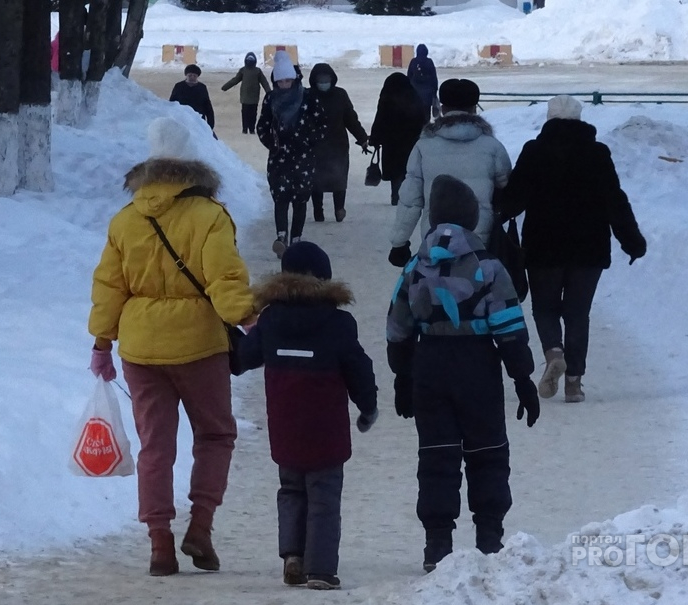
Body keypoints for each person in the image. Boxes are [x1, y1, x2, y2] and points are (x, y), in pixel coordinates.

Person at [88, 121, 257, 577]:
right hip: (199, 344)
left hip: (140, 349)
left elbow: (109, 286)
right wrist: (247, 317)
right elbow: (224, 276)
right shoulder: (209, 216)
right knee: (216, 435)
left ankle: (159, 544)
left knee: (155, 448)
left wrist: (102, 343)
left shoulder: (126, 220)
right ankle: (200, 527)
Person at [386, 174, 540, 573]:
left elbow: (398, 327)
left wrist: (403, 377)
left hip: (429, 366)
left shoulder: (414, 267)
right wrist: (522, 379)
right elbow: (507, 325)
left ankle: (437, 543)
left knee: (436, 455)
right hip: (477, 367)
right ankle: (489, 538)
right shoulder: (488, 266)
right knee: (487, 451)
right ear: (472, 219)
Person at [236, 241, 378, 591]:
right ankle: (321, 570)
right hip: (326, 426)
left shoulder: (270, 319)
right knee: (324, 496)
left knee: (291, 489)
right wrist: (368, 407)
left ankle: (293, 556)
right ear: (324, 279)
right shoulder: (339, 322)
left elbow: (244, 359)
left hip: (285, 424)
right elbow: (359, 368)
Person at [499, 95, 646, 403]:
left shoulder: (534, 151)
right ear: (580, 120)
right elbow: (614, 200)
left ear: (549, 120)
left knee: (545, 308)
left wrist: (495, 214)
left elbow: (514, 198)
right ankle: (574, 383)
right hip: (588, 248)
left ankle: (554, 351)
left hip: (544, 247)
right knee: (578, 313)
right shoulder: (597, 153)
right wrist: (631, 240)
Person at [388, 78, 512, 268]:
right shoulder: (492, 146)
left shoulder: (424, 146)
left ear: (443, 108)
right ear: (474, 108)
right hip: (479, 239)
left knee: (435, 291)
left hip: (435, 238)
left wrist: (399, 242)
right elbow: (504, 187)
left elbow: (410, 199)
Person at [257, 51, 328, 259]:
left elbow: (323, 123)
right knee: (280, 198)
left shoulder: (308, 97)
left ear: (295, 78)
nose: (285, 84)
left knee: (300, 199)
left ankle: (296, 238)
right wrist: (271, 143)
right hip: (279, 158)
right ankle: (281, 237)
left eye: (288, 80)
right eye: (281, 81)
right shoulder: (270, 99)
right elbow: (262, 125)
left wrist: (310, 140)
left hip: (303, 157)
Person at [307, 63, 369, 223]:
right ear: (314, 80)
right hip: (315, 146)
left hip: (338, 146)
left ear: (332, 79)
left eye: (326, 79)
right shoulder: (307, 96)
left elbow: (351, 119)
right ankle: (318, 211)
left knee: (339, 178)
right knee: (316, 180)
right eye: (320, 80)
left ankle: (339, 209)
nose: (323, 83)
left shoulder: (340, 95)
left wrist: (362, 138)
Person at [368, 72, 428, 207]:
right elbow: (422, 119)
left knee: (395, 172)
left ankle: (396, 195)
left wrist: (375, 139)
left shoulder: (387, 98)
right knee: (410, 170)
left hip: (391, 143)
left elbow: (380, 119)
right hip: (411, 142)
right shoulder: (414, 97)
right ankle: (410, 196)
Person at [221, 51, 271, 135]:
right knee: (245, 113)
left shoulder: (257, 71)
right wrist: (225, 87)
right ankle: (245, 128)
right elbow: (235, 80)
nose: (250, 61)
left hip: (254, 97)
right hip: (245, 97)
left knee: (253, 113)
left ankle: (251, 128)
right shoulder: (243, 70)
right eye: (248, 59)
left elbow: (264, 82)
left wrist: (269, 92)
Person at [169, 64, 216, 130]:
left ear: (197, 76)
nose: (192, 77)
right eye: (190, 75)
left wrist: (210, 125)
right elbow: (172, 104)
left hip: (198, 122)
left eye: (194, 76)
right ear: (186, 75)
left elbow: (207, 106)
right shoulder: (179, 86)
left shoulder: (202, 88)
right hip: (182, 121)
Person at [407, 44, 439, 123]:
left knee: (415, 115)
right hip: (427, 94)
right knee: (426, 115)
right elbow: (434, 77)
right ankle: (426, 131)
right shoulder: (429, 62)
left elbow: (409, 76)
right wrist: (435, 92)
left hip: (415, 94)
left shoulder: (413, 61)